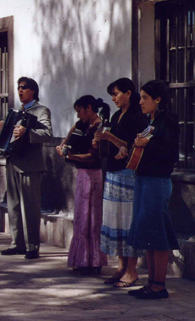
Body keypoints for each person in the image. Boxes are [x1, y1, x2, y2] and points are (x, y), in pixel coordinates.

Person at [125, 80, 179, 300]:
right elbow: (140, 148)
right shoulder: (150, 122)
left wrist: (148, 145)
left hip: (157, 181)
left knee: (158, 232)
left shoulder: (169, 121)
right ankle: (151, 283)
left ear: (157, 99)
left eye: (145, 98)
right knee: (147, 231)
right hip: (144, 180)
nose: (141, 102)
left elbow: (170, 153)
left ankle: (159, 285)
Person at [95, 78, 148, 287]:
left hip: (128, 172)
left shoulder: (137, 116)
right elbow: (111, 140)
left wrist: (110, 138)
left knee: (127, 221)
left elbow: (134, 144)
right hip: (113, 171)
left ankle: (132, 269)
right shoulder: (116, 115)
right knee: (115, 220)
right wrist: (99, 139)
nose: (114, 98)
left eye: (116, 94)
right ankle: (120, 266)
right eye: (112, 95)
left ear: (128, 93)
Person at [0, 78, 53, 259]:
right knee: (13, 206)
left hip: (30, 165)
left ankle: (32, 246)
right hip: (13, 161)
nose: (20, 91)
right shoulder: (16, 112)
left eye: (24, 88)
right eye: (18, 88)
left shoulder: (41, 110)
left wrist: (27, 132)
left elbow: (47, 134)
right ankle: (17, 243)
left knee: (30, 206)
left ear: (33, 91)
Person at [57, 95, 110, 274]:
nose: (78, 115)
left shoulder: (100, 126)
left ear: (89, 108)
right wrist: (63, 147)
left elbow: (94, 156)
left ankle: (94, 262)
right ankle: (82, 260)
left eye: (80, 111)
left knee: (92, 217)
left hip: (93, 174)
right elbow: (67, 141)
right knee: (82, 217)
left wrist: (71, 157)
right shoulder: (81, 125)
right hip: (81, 174)